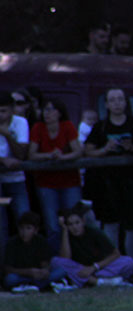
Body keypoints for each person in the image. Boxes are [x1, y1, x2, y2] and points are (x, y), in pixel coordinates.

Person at [84, 88, 133, 256]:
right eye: (113, 100)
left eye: (120, 99)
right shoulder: (100, 127)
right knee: (110, 223)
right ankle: (111, 263)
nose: (117, 103)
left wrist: (131, 147)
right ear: (106, 104)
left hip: (132, 183)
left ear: (126, 102)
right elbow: (88, 151)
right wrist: (105, 149)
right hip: (107, 184)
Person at [28, 98, 83, 253]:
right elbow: (31, 154)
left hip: (69, 181)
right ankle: (56, 258)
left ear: (59, 112)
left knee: (74, 220)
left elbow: (77, 151)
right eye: (45, 109)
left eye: (51, 109)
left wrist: (62, 158)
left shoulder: (67, 126)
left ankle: (78, 256)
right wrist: (49, 155)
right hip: (46, 183)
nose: (47, 113)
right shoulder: (38, 128)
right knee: (52, 224)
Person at [51, 204, 133, 288]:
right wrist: (65, 230)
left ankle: (90, 280)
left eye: (77, 223)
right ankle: (97, 281)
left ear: (83, 221)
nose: (75, 227)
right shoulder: (66, 236)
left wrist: (93, 267)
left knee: (128, 261)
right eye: (70, 224)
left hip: (99, 267)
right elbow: (65, 258)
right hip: (80, 269)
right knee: (56, 261)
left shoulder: (94, 232)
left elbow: (115, 254)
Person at [0, 91, 31, 270]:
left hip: (16, 181)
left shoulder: (21, 123)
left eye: (3, 111)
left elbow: (21, 154)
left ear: (12, 110)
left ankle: (27, 267)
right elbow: (11, 159)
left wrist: (7, 134)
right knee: (1, 227)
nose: (0, 116)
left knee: (25, 221)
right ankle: (3, 272)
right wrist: (4, 161)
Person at [3, 212, 67, 292]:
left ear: (35, 230)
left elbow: (45, 263)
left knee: (61, 271)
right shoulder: (12, 243)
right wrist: (28, 272)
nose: (24, 232)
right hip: (21, 275)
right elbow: (8, 269)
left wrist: (44, 271)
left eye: (28, 228)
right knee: (10, 279)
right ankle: (38, 285)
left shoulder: (40, 241)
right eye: (21, 228)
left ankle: (31, 285)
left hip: (37, 276)